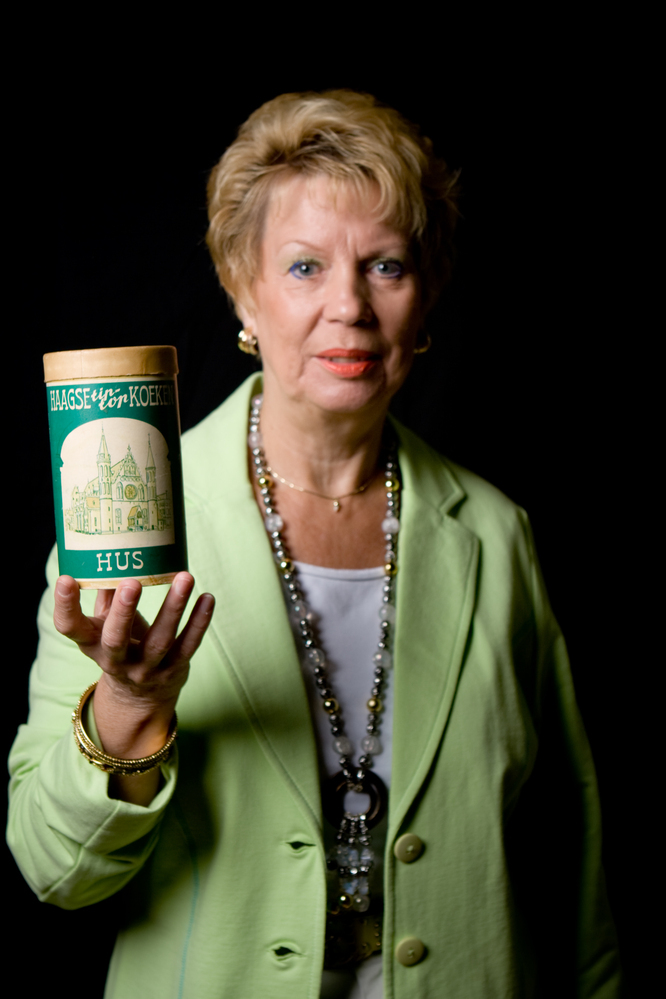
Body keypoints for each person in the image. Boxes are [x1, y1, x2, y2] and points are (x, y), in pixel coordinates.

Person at [8, 90, 620, 998]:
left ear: (426, 294)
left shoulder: (496, 534)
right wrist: (129, 707)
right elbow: (56, 869)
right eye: (304, 266)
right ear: (241, 289)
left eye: (386, 265)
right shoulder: (127, 529)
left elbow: (570, 857)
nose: (349, 306)